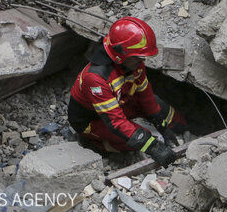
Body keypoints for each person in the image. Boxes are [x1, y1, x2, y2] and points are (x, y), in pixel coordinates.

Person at [68, 17, 188, 167]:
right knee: (135, 139)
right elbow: (116, 122)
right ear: (121, 55)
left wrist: (162, 126)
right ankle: (96, 144)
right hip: (93, 119)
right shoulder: (96, 79)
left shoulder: (133, 63)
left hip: (120, 100)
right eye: (138, 57)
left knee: (162, 109)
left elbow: (146, 96)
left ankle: (184, 129)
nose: (142, 61)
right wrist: (154, 147)